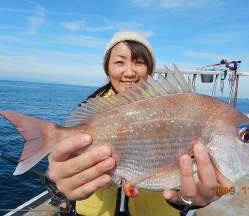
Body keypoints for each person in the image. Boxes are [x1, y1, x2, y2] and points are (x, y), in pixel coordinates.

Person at [48, 32, 234, 216]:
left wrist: (188, 202)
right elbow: (70, 164)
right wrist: (67, 180)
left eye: (139, 62)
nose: (129, 72)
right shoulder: (91, 111)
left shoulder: (173, 105)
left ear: (149, 69)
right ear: (107, 68)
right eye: (120, 62)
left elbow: (183, 181)